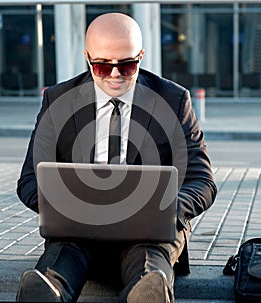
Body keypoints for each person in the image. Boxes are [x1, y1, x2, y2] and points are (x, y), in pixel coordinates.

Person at [16, 12, 217, 303]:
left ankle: (149, 291)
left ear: (141, 56)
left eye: (127, 65)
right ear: (87, 57)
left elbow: (202, 181)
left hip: (149, 233)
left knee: (149, 266)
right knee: (60, 259)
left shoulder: (174, 100)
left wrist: (164, 209)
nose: (114, 75)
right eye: (101, 66)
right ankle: (48, 290)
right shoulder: (57, 100)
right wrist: (61, 207)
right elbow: (29, 180)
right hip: (78, 231)